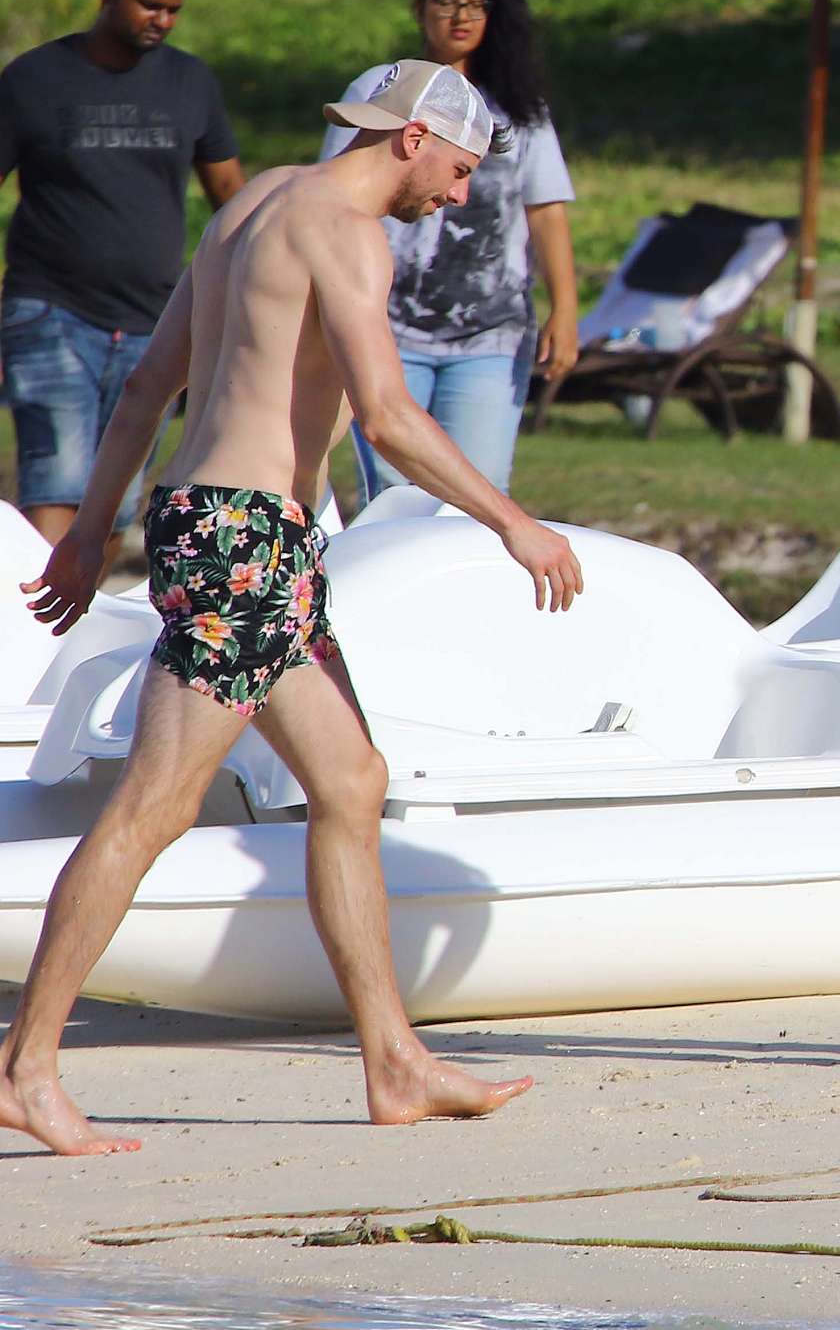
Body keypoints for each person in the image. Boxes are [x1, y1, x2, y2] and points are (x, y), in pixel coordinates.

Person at [1, 59, 583, 1157]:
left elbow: (147, 388)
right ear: (412, 137)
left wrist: (89, 534)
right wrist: (513, 521)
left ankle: (395, 1063)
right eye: (458, 170)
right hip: (246, 540)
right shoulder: (345, 228)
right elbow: (389, 415)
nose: (458, 197)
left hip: (220, 525)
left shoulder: (253, 202)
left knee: (351, 781)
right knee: (152, 808)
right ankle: (26, 1067)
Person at [0, 0, 245, 552]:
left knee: (115, 502)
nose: (162, 20)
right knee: (55, 483)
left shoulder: (190, 83)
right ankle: (30, 646)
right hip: (49, 310)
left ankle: (73, 639)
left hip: (154, 321)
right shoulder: (33, 80)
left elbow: (231, 197)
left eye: (173, 10)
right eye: (149, 4)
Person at [319, 0, 578, 508]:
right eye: (445, 0)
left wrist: (566, 307)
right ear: (419, 6)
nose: (460, 16)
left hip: (490, 333)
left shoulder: (519, 107)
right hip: (385, 326)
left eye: (476, 3)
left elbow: (546, 208)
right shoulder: (381, 89)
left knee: (480, 501)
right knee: (393, 499)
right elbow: (330, 199)